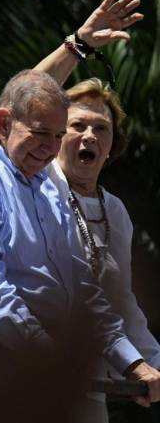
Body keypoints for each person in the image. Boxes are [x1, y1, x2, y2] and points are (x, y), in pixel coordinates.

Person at [0, 68, 160, 423]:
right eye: (40, 133)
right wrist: (46, 358)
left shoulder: (46, 185)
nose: (51, 148)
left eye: (58, 135)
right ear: (4, 123)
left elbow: (82, 286)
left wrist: (133, 361)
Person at [47, 78, 160, 422]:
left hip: (91, 385)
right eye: (77, 125)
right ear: (55, 137)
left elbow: (122, 301)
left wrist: (151, 364)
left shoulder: (115, 210)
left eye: (101, 127)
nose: (90, 135)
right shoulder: (39, 191)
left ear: (111, 145)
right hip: (32, 377)